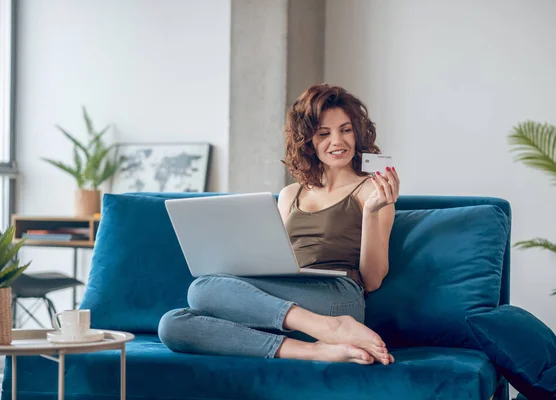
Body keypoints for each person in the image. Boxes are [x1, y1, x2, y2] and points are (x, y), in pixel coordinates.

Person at [158, 83, 400, 366]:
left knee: (201, 289)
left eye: (345, 130)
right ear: (308, 140)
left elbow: (372, 280)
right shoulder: (290, 194)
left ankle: (332, 327)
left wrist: (371, 212)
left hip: (337, 297)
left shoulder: (372, 190)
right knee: (173, 324)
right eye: (324, 133)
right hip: (291, 302)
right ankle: (316, 348)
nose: (338, 141)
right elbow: (275, 260)